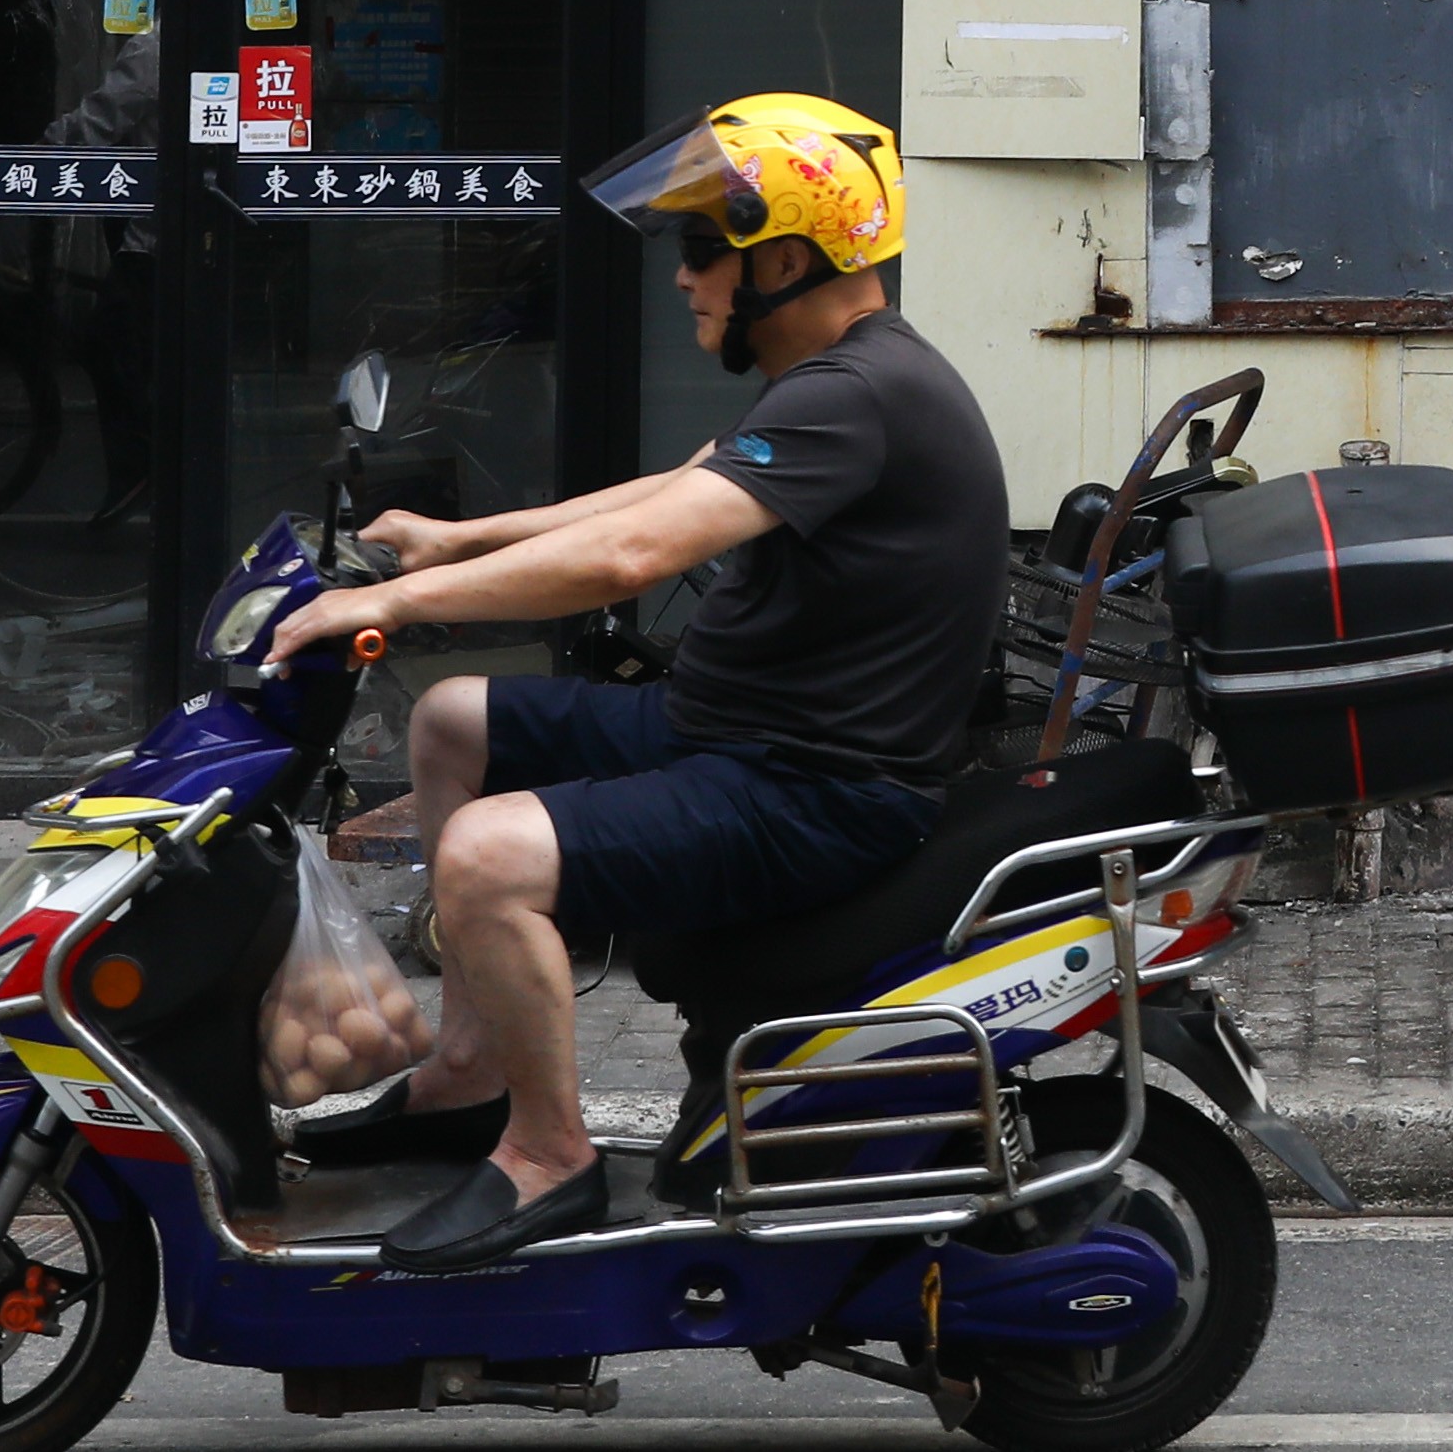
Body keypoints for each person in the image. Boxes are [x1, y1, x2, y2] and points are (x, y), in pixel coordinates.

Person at [258, 91, 1008, 1270]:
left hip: (813, 788)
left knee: (488, 856)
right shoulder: (843, 378)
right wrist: (464, 542)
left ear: (793, 258)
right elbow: (666, 492)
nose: (683, 278)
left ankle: (547, 1158)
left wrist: (390, 603)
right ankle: (466, 1076)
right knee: (455, 723)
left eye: (705, 249)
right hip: (731, 731)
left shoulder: (858, 395)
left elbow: (630, 557)